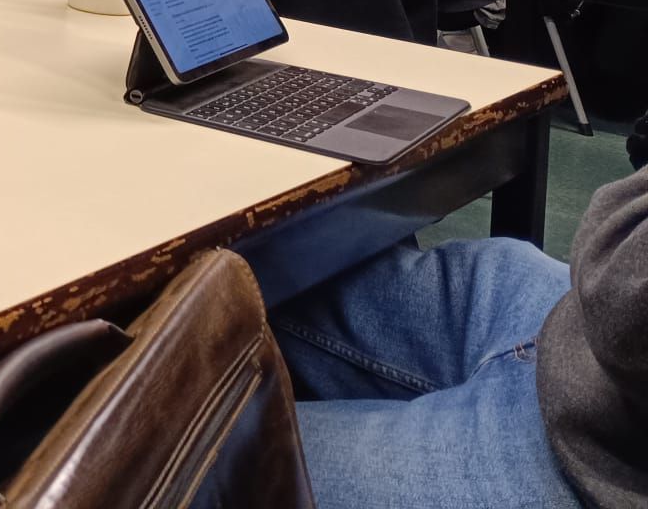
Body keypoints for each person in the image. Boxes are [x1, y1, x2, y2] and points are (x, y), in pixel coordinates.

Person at [269, 163, 648, 509]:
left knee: (228, 456)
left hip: (602, 472)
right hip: (577, 332)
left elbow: (619, 296)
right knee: (283, 270)